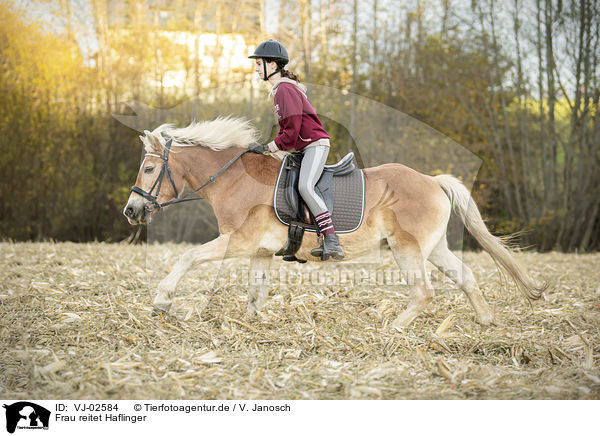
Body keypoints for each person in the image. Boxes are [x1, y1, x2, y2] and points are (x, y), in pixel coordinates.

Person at [247, 39, 344, 260]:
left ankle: (331, 238)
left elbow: (290, 133)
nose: (255, 68)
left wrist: (267, 147)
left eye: (258, 63)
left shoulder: (284, 90)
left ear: (272, 66)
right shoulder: (281, 90)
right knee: (285, 184)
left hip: (315, 145)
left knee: (305, 186)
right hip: (305, 147)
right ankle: (296, 239)